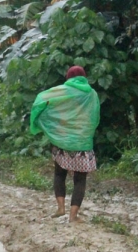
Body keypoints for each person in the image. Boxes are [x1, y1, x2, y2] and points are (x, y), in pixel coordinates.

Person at [30, 65, 100, 223]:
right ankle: (73, 216)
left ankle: (60, 208)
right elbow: (94, 118)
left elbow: (41, 99)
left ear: (68, 77)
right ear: (84, 77)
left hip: (62, 141)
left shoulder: (62, 91)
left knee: (59, 174)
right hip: (82, 142)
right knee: (80, 180)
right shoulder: (92, 94)